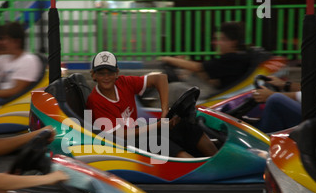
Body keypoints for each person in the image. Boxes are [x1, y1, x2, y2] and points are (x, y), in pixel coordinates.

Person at [86, 51, 218, 158]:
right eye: (101, 73)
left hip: (136, 132)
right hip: (119, 145)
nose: (106, 77)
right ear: (93, 75)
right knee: (159, 142)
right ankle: (194, 169)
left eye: (110, 72)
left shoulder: (124, 82)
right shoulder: (95, 100)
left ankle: (215, 159)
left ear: (116, 73)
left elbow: (160, 78)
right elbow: (119, 135)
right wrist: (158, 125)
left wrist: (165, 110)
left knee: (185, 125)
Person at [252, 18, 316, 133]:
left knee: (275, 100)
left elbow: (310, 97)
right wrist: (285, 85)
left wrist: (271, 95)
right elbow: (315, 89)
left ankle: (261, 144)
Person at [160, 22, 251, 98]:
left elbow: (197, 67)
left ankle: (158, 117)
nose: (214, 43)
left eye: (220, 39)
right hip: (219, 92)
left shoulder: (233, 58)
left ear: (233, 42)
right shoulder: (238, 57)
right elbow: (211, 78)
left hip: (218, 97)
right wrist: (187, 66)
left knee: (174, 88)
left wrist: (167, 58)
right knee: (181, 83)